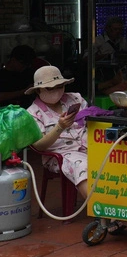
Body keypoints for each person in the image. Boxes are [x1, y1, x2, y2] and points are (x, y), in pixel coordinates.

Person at [26, 66, 91, 199]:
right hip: (60, 155)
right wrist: (59, 127)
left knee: (115, 158)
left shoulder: (75, 99)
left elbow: (90, 122)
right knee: (82, 166)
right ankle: (101, 212)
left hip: (89, 146)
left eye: (60, 86)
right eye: (50, 88)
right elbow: (39, 146)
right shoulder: (32, 113)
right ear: (38, 90)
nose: (56, 91)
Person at [92, 17, 127, 95]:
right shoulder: (98, 40)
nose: (118, 32)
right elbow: (86, 58)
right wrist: (106, 55)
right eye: (115, 29)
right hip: (102, 74)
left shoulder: (122, 40)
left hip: (119, 73)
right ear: (108, 29)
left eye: (120, 29)